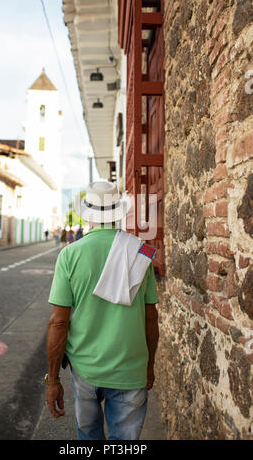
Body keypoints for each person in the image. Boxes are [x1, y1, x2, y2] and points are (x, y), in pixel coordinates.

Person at [45, 181, 159, 440]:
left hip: (86, 369)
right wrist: (149, 366)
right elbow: (151, 318)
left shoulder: (70, 254)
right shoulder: (141, 252)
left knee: (88, 439)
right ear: (118, 212)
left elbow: (58, 323)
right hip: (131, 368)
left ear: (88, 214)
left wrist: (52, 379)